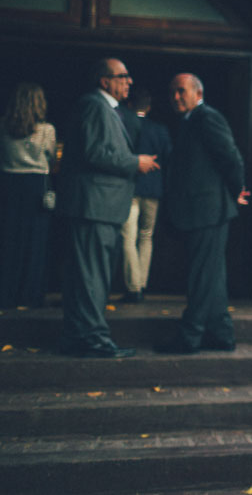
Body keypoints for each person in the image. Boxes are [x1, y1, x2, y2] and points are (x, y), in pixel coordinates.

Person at [57, 58, 158, 358]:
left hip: (100, 206)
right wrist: (135, 162)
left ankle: (79, 337)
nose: (129, 82)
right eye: (122, 76)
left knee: (89, 274)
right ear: (105, 81)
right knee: (91, 276)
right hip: (94, 206)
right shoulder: (94, 105)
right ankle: (93, 340)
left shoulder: (106, 109)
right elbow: (95, 152)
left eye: (129, 76)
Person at [156, 73, 249, 354]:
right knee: (211, 274)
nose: (175, 97)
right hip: (201, 209)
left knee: (201, 274)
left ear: (198, 93)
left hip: (208, 208)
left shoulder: (206, 117)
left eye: (181, 91)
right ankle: (221, 334)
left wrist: (236, 190)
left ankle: (190, 335)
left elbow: (230, 156)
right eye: (172, 92)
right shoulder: (188, 121)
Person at [0, 82, 56, 308]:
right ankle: (29, 295)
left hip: (8, 183)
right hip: (35, 184)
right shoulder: (47, 130)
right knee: (34, 242)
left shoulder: (2, 125)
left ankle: (4, 294)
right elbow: (51, 157)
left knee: (9, 241)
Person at [120, 90, 171, 304]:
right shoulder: (160, 130)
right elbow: (169, 156)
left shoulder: (126, 127)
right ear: (149, 108)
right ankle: (141, 283)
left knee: (128, 238)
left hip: (130, 188)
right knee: (146, 236)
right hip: (153, 188)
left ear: (131, 105)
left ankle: (133, 287)